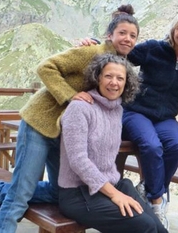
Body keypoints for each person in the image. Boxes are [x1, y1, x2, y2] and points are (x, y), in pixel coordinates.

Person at [0, 4, 140, 233]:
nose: (127, 39)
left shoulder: (117, 65)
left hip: (62, 132)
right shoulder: (91, 52)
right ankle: (6, 203)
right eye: (122, 33)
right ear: (109, 35)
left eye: (132, 35)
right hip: (40, 124)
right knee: (19, 196)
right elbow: (46, 67)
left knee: (58, 191)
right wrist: (70, 96)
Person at [79, 11, 178, 229]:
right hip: (136, 111)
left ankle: (148, 189)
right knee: (152, 145)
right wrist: (97, 43)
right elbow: (123, 52)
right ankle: (156, 203)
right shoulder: (155, 49)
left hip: (165, 117)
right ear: (173, 30)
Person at [58, 53, 166, 233]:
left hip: (111, 185)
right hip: (78, 193)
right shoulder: (80, 108)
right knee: (143, 226)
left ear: (126, 83)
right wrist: (115, 195)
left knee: (158, 227)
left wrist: (116, 191)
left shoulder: (117, 110)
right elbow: (78, 160)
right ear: (98, 78)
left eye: (120, 78)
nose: (114, 82)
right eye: (108, 76)